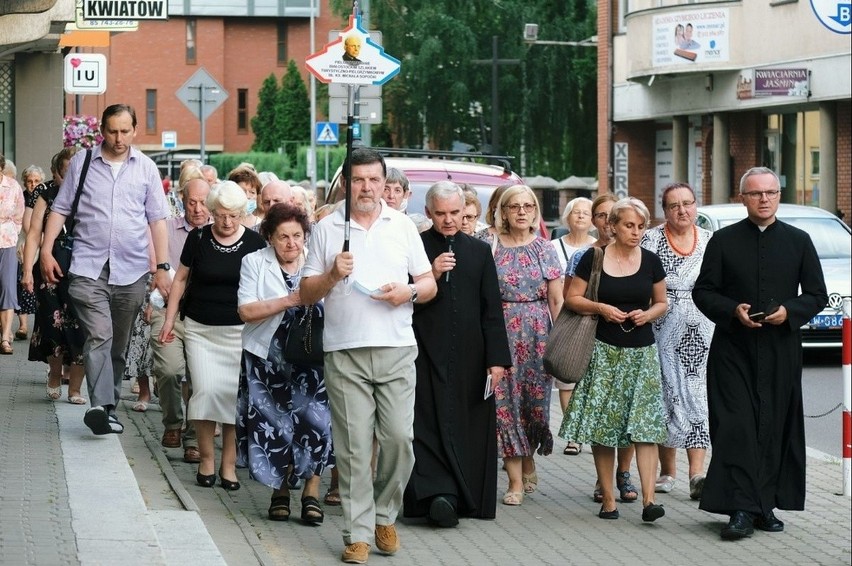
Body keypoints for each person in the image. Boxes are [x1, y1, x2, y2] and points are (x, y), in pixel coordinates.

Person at [300, 148, 436, 564]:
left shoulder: (403, 226)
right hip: (345, 350)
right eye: (358, 180)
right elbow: (306, 294)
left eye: (374, 180)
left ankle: (384, 514)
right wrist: (331, 275)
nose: (366, 188)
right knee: (355, 448)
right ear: (346, 183)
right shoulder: (327, 229)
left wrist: (408, 292)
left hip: (396, 347)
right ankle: (357, 532)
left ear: (384, 183)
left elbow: (429, 283)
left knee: (399, 439)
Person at [692, 167, 827, 540]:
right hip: (733, 349)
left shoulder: (799, 241)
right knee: (736, 426)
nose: (764, 199)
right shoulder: (722, 241)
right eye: (755, 194)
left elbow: (817, 295)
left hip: (780, 349)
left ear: (778, 196)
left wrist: (789, 313)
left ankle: (763, 505)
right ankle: (739, 508)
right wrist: (732, 310)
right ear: (743, 199)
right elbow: (703, 292)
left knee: (773, 427)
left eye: (770, 192)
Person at [40, 104, 172, 436]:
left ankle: (108, 408)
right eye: (112, 130)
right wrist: (45, 249)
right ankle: (100, 406)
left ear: (135, 131)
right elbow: (60, 208)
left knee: (118, 346)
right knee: (100, 335)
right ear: (102, 130)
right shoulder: (83, 163)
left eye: (125, 131)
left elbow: (158, 220)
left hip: (131, 271)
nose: (118, 138)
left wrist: (162, 268)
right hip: (88, 267)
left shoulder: (145, 168)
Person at [403, 181, 511, 527]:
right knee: (426, 423)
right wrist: (430, 274)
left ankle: (465, 496)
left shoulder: (479, 252)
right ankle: (435, 496)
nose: (449, 221)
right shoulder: (416, 249)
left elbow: (491, 309)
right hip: (424, 352)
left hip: (471, 355)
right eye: (441, 214)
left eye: (456, 213)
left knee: (469, 423)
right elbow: (403, 300)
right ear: (429, 213)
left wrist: (496, 359)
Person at [559, 197, 668, 523]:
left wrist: (647, 314)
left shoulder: (650, 260)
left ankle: (649, 502)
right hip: (603, 351)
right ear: (613, 226)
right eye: (629, 225)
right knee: (604, 427)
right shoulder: (593, 258)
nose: (636, 232)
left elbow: (662, 302)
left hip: (642, 352)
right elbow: (572, 298)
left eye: (641, 226)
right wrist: (601, 308)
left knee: (646, 427)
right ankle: (608, 499)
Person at [158, 181, 265, 488]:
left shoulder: (255, 243)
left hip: (239, 332)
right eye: (220, 215)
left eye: (232, 215)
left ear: (241, 213)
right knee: (204, 392)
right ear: (212, 212)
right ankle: (206, 459)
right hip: (200, 330)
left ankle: (228, 465)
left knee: (232, 398)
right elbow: (180, 280)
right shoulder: (198, 237)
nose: (227, 222)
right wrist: (169, 320)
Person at [236, 203, 334, 524]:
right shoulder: (254, 261)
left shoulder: (317, 261)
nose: (292, 243)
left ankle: (311, 493)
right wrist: (291, 299)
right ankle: (279, 491)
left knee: (315, 423)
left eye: (297, 236)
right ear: (269, 237)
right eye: (283, 237)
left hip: (313, 355)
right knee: (274, 423)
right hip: (268, 354)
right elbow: (247, 311)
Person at [640, 182, 714, 500]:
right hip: (662, 328)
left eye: (688, 203)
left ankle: (697, 474)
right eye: (674, 205)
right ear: (665, 210)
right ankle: (667, 472)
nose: (682, 210)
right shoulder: (651, 240)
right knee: (666, 395)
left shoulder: (711, 241)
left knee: (698, 396)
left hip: (703, 330)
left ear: (696, 205)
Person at [565, 193, 638, 504]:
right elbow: (570, 299)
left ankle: (624, 472)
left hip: (635, 343)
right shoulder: (586, 257)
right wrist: (601, 308)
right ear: (599, 222)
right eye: (603, 217)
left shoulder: (642, 255)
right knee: (603, 414)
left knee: (630, 413)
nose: (609, 223)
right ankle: (603, 480)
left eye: (614, 216)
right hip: (596, 340)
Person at [491, 184, 563, 506]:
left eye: (528, 206)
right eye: (514, 206)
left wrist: (559, 341)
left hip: (537, 333)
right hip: (501, 330)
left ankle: (528, 456)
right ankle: (515, 480)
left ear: (535, 212)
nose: (522, 211)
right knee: (504, 406)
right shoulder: (490, 245)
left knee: (533, 405)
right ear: (503, 212)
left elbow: (557, 299)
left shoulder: (545, 249)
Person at [150, 177, 211, 463]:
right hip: (168, 313)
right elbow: (152, 270)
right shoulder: (169, 232)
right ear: (181, 200)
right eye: (191, 202)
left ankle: (192, 439)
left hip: (206, 318)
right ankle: (173, 423)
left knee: (202, 381)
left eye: (203, 202)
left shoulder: (221, 233)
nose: (198, 209)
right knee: (170, 369)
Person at [21, 147, 87, 404]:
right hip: (50, 266)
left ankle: (76, 389)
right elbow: (34, 233)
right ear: (56, 173)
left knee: (81, 326)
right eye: (66, 173)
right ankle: (55, 375)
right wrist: (27, 271)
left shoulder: (91, 192)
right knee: (52, 323)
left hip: (84, 267)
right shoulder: (45, 192)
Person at [550, 197, 596, 456]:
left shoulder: (599, 247)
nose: (580, 217)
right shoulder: (553, 246)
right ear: (566, 218)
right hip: (565, 317)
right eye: (575, 212)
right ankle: (573, 434)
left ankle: (588, 429)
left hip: (593, 318)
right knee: (566, 378)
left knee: (588, 378)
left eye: (585, 213)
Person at [16, 164, 45, 340]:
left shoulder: (46, 196)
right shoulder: (22, 198)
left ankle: (38, 326)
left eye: (36, 181)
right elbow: (26, 227)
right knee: (23, 284)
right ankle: (23, 325)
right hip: (25, 243)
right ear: (25, 183)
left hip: (43, 245)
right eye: (29, 181)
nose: (33, 184)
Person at [0, 153, 25, 355]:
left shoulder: (13, 186)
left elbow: (19, 215)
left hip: (6, 241)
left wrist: (14, 234)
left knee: (8, 288)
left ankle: (6, 337)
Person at [228, 165, 262, 229]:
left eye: (252, 192)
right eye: (242, 191)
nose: (247, 196)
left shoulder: (261, 225)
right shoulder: (225, 222)